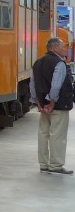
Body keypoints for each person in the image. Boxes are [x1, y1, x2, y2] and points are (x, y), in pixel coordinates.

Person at [33, 36, 75, 174]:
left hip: (43, 106)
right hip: (58, 106)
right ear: (55, 48)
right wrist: (52, 102)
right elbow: (56, 85)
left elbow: (32, 85)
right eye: (63, 46)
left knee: (43, 134)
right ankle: (56, 165)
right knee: (57, 135)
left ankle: (43, 164)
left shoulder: (38, 62)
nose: (66, 49)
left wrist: (38, 102)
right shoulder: (59, 63)